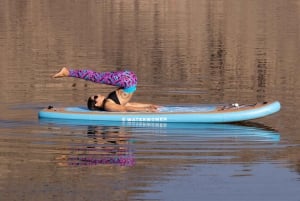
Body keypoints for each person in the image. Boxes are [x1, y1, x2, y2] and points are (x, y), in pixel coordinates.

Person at [53, 67, 159, 112]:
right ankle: (68, 72)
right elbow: (127, 107)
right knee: (97, 77)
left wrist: (146, 109)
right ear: (96, 104)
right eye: (95, 97)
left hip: (128, 79)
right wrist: (148, 106)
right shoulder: (108, 104)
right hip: (128, 79)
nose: (98, 94)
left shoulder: (110, 102)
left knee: (98, 77)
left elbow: (125, 108)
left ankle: (68, 72)